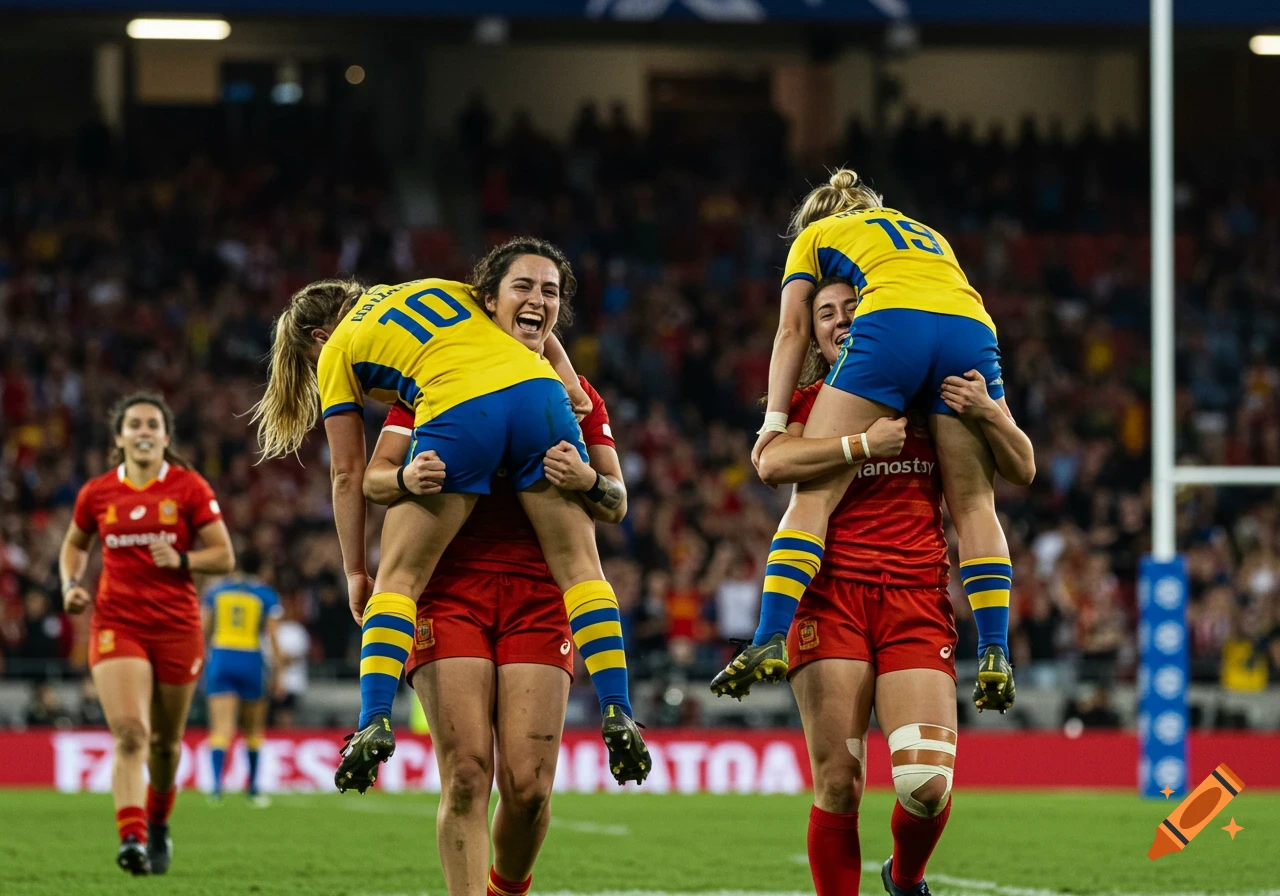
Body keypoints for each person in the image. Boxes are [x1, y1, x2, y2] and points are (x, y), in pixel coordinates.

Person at [250, 237, 649, 794]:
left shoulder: (339, 351)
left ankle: (372, 719)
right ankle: (619, 707)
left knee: (400, 580)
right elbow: (546, 341)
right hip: (539, 396)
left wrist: (354, 572)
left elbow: (348, 475)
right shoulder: (437, 292)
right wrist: (567, 383)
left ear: (318, 337)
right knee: (584, 571)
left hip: (460, 413)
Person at [728, 278, 1033, 896]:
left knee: (927, 786)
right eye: (826, 315)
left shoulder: (940, 399)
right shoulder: (816, 401)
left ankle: (906, 877)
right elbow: (770, 461)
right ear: (811, 333)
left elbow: (1021, 469)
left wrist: (989, 411)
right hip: (830, 597)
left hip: (915, 599)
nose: (841, 322)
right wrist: (860, 444)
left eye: (852, 310)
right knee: (838, 782)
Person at [723, 168, 1034, 713]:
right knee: (976, 502)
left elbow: (791, 331)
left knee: (813, 495)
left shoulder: (813, 240)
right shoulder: (924, 233)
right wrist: (987, 409)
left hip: (894, 324)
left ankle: (770, 633)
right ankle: (994, 648)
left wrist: (773, 420)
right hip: (970, 324)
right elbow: (1022, 471)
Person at [364, 278, 626, 896]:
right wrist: (406, 475)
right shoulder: (434, 386)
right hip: (451, 594)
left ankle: (504, 890)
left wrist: (587, 478)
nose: (536, 300)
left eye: (550, 291)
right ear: (490, 303)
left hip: (540, 596)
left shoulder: (579, 397)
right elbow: (374, 479)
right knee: (465, 776)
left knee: (530, 788)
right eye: (522, 288)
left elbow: (615, 503)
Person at [59, 392, 235, 875]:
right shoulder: (97, 493)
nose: (143, 431)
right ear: (119, 437)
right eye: (133, 424)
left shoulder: (189, 487)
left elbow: (224, 556)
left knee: (166, 743)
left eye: (152, 424)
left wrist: (181, 559)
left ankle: (158, 824)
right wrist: (71, 583)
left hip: (177, 627)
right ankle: (132, 837)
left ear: (164, 436)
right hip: (118, 624)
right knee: (132, 733)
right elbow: (74, 545)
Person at [202, 549, 282, 805]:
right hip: (251, 659)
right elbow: (272, 638)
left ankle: (215, 788)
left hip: (221, 657)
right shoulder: (266, 595)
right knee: (253, 729)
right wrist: (278, 672)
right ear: (260, 569)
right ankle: (254, 789)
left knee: (221, 728)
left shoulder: (216, 591)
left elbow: (203, 629)